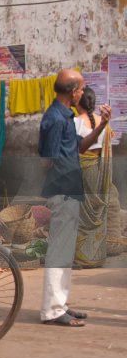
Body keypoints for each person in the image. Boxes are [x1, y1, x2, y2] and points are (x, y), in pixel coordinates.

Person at [38, 69, 103, 327]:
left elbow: (80, 146)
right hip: (63, 191)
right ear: (73, 91)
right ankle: (52, 310)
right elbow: (47, 160)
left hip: (69, 190)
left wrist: (103, 125)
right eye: (80, 89)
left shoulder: (64, 116)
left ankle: (60, 304)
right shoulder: (55, 119)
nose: (82, 93)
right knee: (59, 251)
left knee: (65, 252)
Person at [73, 85, 117, 268]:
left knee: (81, 213)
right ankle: (96, 257)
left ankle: (82, 258)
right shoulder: (104, 123)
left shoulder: (75, 122)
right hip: (100, 171)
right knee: (98, 212)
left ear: (78, 102)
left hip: (82, 171)